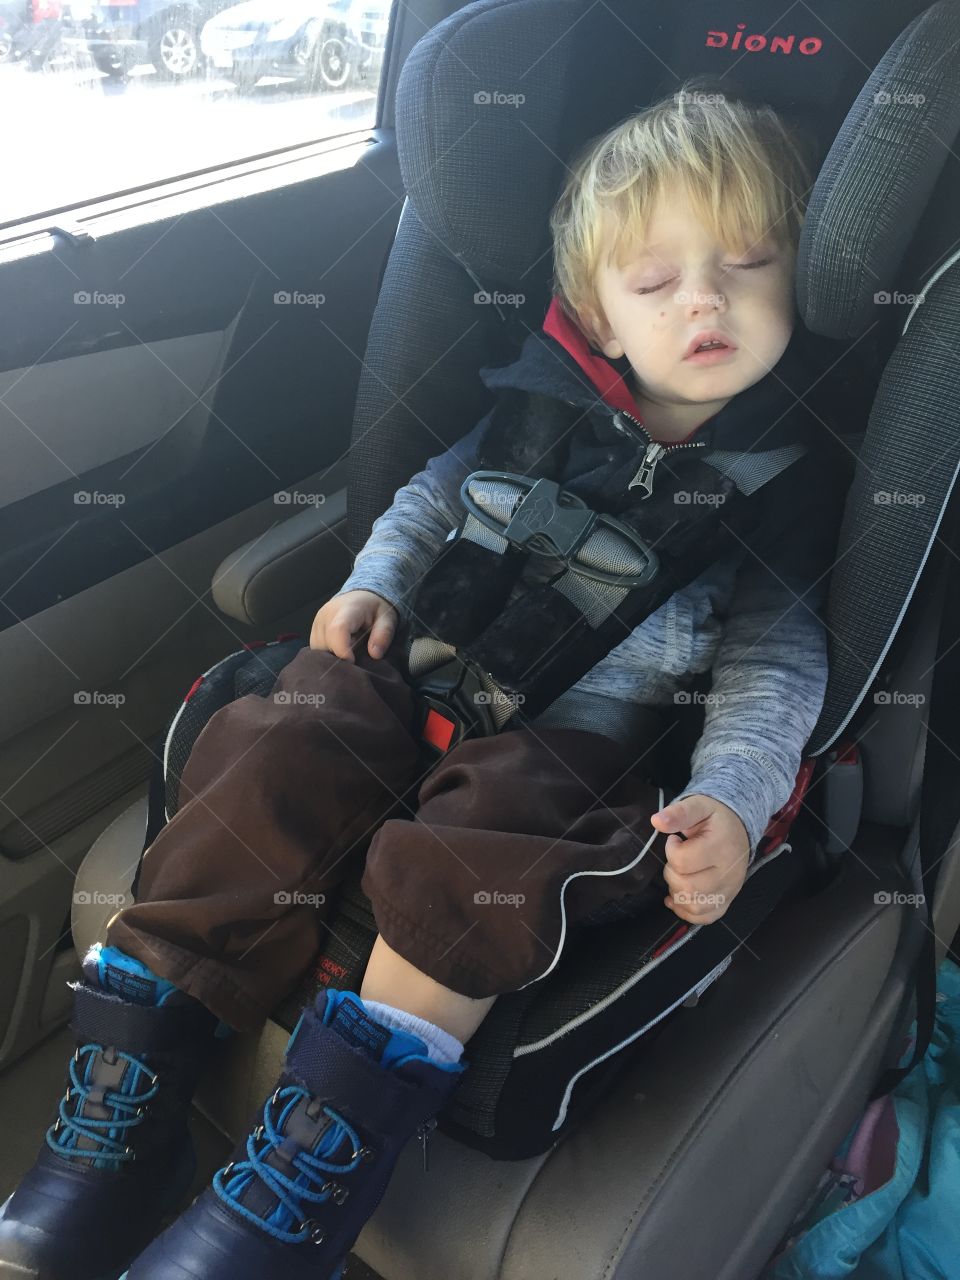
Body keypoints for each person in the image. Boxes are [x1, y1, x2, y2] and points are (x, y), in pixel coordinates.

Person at [0, 81, 850, 1280]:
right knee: (282, 727)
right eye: (656, 282)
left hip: (580, 739)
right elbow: (426, 500)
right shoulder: (532, 409)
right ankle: (126, 1106)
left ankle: (308, 1175)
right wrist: (373, 585)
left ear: (797, 284)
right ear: (599, 320)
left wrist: (737, 794)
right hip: (420, 674)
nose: (705, 297)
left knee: (491, 840)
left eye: (749, 263)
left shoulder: (784, 486)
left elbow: (776, 666)